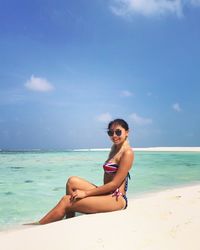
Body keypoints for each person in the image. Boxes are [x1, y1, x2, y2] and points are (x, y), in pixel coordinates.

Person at [31, 118, 134, 225]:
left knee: (66, 200)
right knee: (72, 181)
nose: (114, 135)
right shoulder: (115, 150)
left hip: (117, 198)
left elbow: (114, 184)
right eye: (110, 132)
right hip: (107, 194)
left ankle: (38, 225)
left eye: (118, 132)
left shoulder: (127, 153)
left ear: (127, 132)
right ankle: (69, 219)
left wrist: (85, 193)